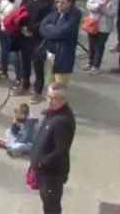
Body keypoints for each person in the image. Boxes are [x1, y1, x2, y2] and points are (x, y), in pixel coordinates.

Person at [30, 83, 76, 214]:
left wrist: (40, 163)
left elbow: (60, 151)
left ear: (63, 100)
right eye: (49, 96)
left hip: (51, 175)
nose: (49, 100)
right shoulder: (53, 112)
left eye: (54, 98)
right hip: (44, 171)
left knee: (51, 207)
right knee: (47, 203)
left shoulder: (62, 122)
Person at [39, 0, 81, 85]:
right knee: (49, 84)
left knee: (59, 88)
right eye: (57, 1)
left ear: (70, 3)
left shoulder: (75, 15)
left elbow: (62, 32)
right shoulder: (54, 11)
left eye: (62, 2)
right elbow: (42, 27)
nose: (59, 4)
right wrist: (53, 30)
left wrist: (50, 29)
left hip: (63, 57)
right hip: (50, 55)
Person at [84, 0, 119, 74]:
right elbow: (88, 5)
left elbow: (113, 12)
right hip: (93, 22)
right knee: (91, 44)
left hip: (105, 25)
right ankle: (90, 62)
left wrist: (103, 8)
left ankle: (96, 65)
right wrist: (99, 5)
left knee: (100, 45)